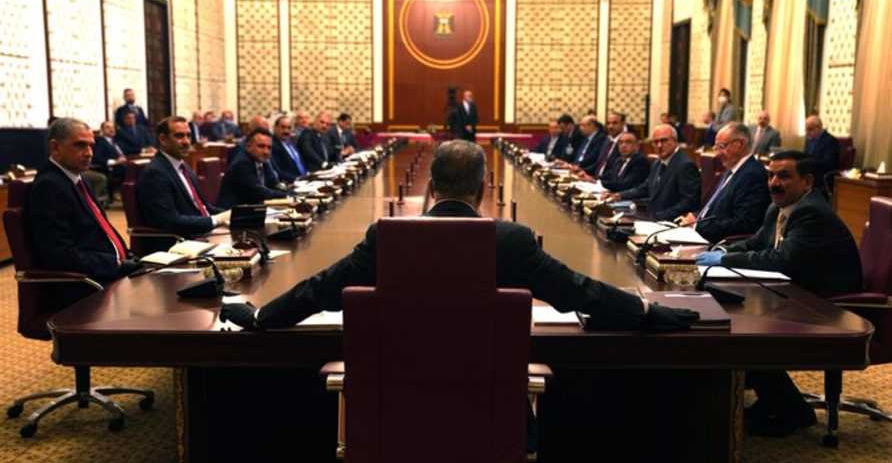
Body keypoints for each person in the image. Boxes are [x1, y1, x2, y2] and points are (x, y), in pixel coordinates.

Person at [219, 140, 699, 332]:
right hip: (489, 405)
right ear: (484, 188)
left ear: (430, 187)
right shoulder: (511, 240)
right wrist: (645, 310)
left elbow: (321, 289)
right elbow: (579, 290)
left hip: (396, 404)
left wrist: (261, 315)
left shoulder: (388, 238)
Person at [696, 150, 861, 436]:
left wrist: (724, 260)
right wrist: (718, 251)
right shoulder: (778, 207)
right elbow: (756, 243)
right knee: (736, 319)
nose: (774, 183)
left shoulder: (811, 212)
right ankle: (774, 400)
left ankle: (792, 410)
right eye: (771, 175)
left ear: (807, 182)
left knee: (747, 333)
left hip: (829, 308)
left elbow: (780, 260)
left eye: (784, 176)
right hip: (795, 293)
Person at [29, 117, 139, 281]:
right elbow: (59, 254)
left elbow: (99, 231)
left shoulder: (77, 178)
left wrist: (128, 256)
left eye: (91, 146)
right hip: (89, 285)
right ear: (55, 148)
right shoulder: (49, 187)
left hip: (111, 272)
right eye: (80, 145)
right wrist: (116, 264)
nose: (89, 153)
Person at [136, 116, 230, 237]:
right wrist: (215, 220)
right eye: (179, 136)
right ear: (163, 139)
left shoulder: (184, 167)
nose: (186, 142)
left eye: (188, 136)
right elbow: (169, 220)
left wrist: (233, 215)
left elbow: (204, 208)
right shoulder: (155, 173)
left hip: (203, 232)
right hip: (181, 240)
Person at [676, 123, 770, 243]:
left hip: (721, 244)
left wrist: (698, 226)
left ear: (740, 144)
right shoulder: (732, 170)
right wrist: (696, 217)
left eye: (721, 146)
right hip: (701, 235)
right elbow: (714, 207)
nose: (717, 153)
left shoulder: (753, 175)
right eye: (716, 148)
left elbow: (743, 223)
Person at [603, 124, 700, 221]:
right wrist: (619, 195)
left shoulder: (685, 165)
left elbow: (689, 202)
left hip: (669, 221)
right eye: (655, 142)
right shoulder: (657, 163)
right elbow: (645, 187)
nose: (659, 145)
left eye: (664, 140)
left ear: (675, 141)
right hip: (652, 217)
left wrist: (659, 217)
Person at [217, 129, 287, 209]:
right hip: (232, 212)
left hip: (253, 208)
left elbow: (274, 185)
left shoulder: (263, 161)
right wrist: (287, 195)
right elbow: (260, 192)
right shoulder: (242, 164)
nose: (266, 152)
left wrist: (290, 192)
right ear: (248, 146)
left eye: (269, 148)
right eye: (261, 146)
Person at [804, 115, 841, 193]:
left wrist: (808, 162)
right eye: (806, 129)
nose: (807, 132)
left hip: (822, 175)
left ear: (819, 128)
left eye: (810, 129)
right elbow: (805, 156)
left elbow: (828, 163)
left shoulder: (830, 141)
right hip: (809, 172)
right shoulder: (809, 140)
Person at [91, 120, 127, 197]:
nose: (112, 129)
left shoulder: (114, 141)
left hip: (121, 167)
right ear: (102, 130)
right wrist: (115, 162)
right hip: (108, 169)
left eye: (113, 127)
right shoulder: (100, 141)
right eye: (108, 127)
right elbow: (97, 158)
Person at [271, 115, 308, 183]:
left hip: (304, 180)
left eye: (289, 128)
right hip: (290, 183)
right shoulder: (272, 145)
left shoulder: (291, 142)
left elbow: (299, 162)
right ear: (275, 128)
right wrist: (298, 179)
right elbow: (278, 171)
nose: (286, 131)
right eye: (283, 127)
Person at [589, 112, 627, 178]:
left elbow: (617, 170)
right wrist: (582, 170)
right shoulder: (607, 140)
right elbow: (599, 163)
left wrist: (596, 179)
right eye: (608, 123)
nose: (610, 126)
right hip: (595, 178)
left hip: (607, 181)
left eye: (615, 123)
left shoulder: (625, 143)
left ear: (623, 124)